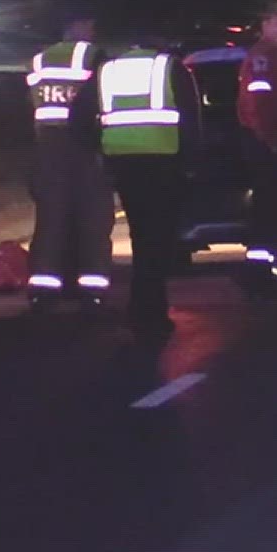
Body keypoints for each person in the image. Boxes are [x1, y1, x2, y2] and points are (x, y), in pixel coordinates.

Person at [98, 40, 200, 334]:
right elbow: (191, 118)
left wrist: (103, 147)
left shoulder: (108, 70)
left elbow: (80, 118)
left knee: (141, 235)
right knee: (158, 240)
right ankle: (150, 311)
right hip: (163, 161)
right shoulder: (170, 67)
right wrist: (191, 161)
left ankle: (142, 309)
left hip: (123, 163)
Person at [26, 10, 117, 306]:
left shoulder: (40, 59)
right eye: (89, 22)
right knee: (93, 216)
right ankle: (92, 287)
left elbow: (31, 105)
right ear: (78, 23)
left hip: (47, 146)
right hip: (85, 145)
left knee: (51, 217)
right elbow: (104, 97)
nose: (93, 28)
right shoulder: (94, 55)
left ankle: (44, 287)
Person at [237, 13, 277, 259]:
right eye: (276, 22)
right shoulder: (263, 56)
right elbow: (258, 99)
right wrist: (269, 135)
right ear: (264, 26)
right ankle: (266, 265)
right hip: (266, 139)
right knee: (271, 201)